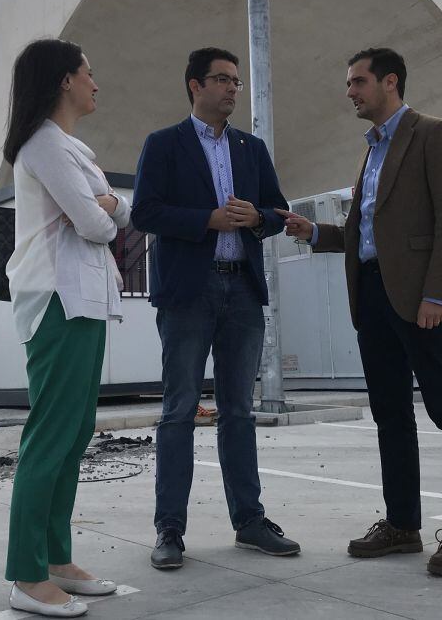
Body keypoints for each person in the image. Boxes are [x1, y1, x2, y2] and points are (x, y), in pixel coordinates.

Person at [276, 47, 442, 577]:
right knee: (390, 415)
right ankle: (402, 525)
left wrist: (437, 295)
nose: (351, 92)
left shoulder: (435, 133)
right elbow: (366, 233)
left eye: (358, 82)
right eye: (350, 84)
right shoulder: (371, 150)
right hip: (372, 297)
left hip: (423, 300)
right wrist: (316, 233)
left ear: (390, 81)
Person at [132, 46, 300, 569]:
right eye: (222, 80)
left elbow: (279, 211)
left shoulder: (251, 149)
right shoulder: (163, 144)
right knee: (179, 410)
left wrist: (257, 218)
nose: (231, 89)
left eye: (236, 82)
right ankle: (170, 531)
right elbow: (145, 211)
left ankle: (249, 521)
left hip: (242, 292)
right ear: (194, 86)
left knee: (239, 413)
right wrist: (208, 220)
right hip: (188, 293)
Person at [2, 39, 128, 616]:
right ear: (63, 82)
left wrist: (103, 204)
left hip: (84, 300)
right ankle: (27, 575)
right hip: (56, 299)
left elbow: (117, 211)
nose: (96, 84)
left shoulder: (74, 148)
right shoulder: (45, 146)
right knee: (51, 436)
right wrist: (103, 205)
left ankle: (56, 559)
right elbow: (97, 224)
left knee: (74, 433)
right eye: (89, 72)